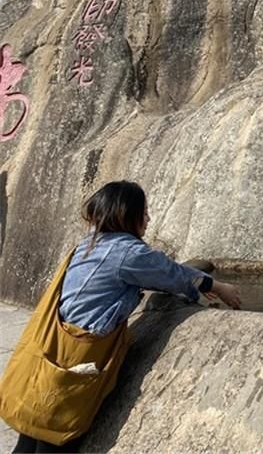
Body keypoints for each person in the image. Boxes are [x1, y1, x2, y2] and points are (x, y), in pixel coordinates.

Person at [7, 180, 241, 453]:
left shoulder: (90, 244)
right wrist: (219, 286)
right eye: (143, 212)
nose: (148, 218)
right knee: (57, 437)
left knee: (30, 438)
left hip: (51, 349)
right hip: (77, 358)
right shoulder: (128, 252)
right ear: (126, 215)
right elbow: (172, 274)